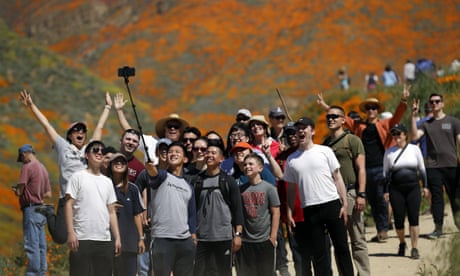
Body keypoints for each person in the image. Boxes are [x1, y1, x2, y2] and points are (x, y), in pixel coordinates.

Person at [317, 86, 410, 242]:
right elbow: (342, 118)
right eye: (368, 108)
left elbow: (397, 117)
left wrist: (403, 101)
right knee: (371, 200)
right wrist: (325, 105)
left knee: (381, 199)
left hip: (380, 166)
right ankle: (381, 228)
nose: (371, 110)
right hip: (364, 169)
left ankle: (383, 229)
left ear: (377, 111)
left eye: (374, 108)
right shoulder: (360, 126)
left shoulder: (385, 124)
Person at [19, 89, 111, 244]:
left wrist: (107, 107)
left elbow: (99, 128)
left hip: (85, 199)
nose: (80, 133)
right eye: (76, 131)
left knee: (83, 237)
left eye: (83, 131)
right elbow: (46, 124)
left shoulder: (90, 150)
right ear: (70, 135)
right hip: (67, 198)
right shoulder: (63, 146)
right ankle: (49, 212)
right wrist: (31, 105)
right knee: (60, 237)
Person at [284, 117, 354, 276]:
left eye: (304, 127)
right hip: (310, 209)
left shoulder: (325, 151)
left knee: (342, 247)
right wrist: (289, 213)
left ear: (312, 131)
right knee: (319, 253)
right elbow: (291, 190)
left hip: (332, 204)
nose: (301, 130)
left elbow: (338, 178)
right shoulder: (291, 160)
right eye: (298, 128)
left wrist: (344, 204)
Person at [136, 142, 196, 276]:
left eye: (177, 152)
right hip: (162, 239)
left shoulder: (188, 185)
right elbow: (154, 175)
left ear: (185, 159)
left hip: (185, 241)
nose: (173, 153)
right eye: (170, 152)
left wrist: (193, 238)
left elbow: (191, 214)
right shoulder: (162, 176)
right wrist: (150, 167)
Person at [323, 106, 370, 275]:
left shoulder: (352, 140)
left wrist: (361, 194)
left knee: (357, 238)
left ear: (343, 120)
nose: (331, 119)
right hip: (332, 196)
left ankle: (363, 273)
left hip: (351, 193)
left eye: (335, 116)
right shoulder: (325, 144)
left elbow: (361, 169)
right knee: (339, 241)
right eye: (328, 116)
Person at [65, 141, 121, 275]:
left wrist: (117, 237)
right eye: (95, 150)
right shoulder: (77, 177)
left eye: (102, 151)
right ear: (86, 155)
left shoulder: (107, 182)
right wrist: (71, 233)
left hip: (104, 240)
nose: (100, 153)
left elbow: (112, 211)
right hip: (81, 239)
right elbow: (68, 204)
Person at [191, 140, 244, 276]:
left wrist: (238, 234)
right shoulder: (197, 181)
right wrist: (192, 233)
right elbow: (192, 209)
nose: (209, 155)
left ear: (221, 159)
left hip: (224, 237)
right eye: (207, 152)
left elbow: (237, 209)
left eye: (213, 153)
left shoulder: (228, 180)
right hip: (202, 238)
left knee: (223, 273)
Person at [411, 94, 460, 238]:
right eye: (432, 102)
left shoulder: (453, 122)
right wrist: (414, 116)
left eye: (437, 101)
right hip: (433, 167)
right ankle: (438, 228)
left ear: (442, 103)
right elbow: (414, 136)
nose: (434, 104)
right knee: (437, 198)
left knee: (456, 197)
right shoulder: (426, 124)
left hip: (452, 165)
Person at [383, 124, 428, 259]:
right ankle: (402, 242)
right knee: (398, 220)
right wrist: (386, 191)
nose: (397, 136)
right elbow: (385, 173)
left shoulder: (414, 149)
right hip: (396, 189)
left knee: (414, 219)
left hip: (413, 188)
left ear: (405, 135)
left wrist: (425, 186)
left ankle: (414, 248)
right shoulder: (389, 152)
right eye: (394, 134)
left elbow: (422, 169)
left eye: (399, 133)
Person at [236, 153, 280, 276]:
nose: (247, 167)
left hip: (264, 240)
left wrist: (273, 237)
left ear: (260, 168)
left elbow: (276, 212)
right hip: (246, 241)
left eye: (251, 164)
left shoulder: (269, 188)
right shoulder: (241, 190)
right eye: (245, 165)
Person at [114, 92, 189, 164]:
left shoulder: (185, 147)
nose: (172, 129)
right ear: (164, 128)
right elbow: (130, 133)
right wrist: (119, 110)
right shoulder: (151, 141)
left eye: (176, 127)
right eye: (170, 126)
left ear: (180, 130)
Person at [14, 144, 52, 276]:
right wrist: (37, 192)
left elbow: (20, 190)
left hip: (30, 208)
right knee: (41, 246)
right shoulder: (43, 168)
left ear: (24, 154)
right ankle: (42, 272)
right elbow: (48, 194)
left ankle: (32, 273)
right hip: (41, 209)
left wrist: (17, 190)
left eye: (21, 157)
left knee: (31, 245)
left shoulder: (27, 166)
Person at [107, 153, 146, 276]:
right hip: (108, 240)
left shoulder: (133, 189)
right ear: (110, 165)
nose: (119, 164)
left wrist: (140, 238)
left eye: (122, 162)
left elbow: (137, 214)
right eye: (116, 162)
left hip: (129, 242)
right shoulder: (104, 185)